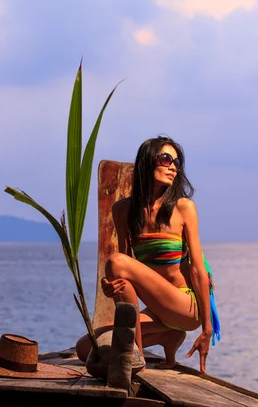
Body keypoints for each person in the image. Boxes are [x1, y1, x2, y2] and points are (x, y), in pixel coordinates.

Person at [76, 136, 220, 373]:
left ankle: (136, 357)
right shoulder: (123, 209)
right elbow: (124, 274)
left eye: (176, 161)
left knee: (117, 263)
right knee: (86, 348)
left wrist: (206, 329)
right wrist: (109, 285)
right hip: (157, 310)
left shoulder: (183, 207)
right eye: (166, 159)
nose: (173, 166)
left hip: (185, 306)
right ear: (147, 161)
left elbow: (197, 269)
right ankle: (169, 337)